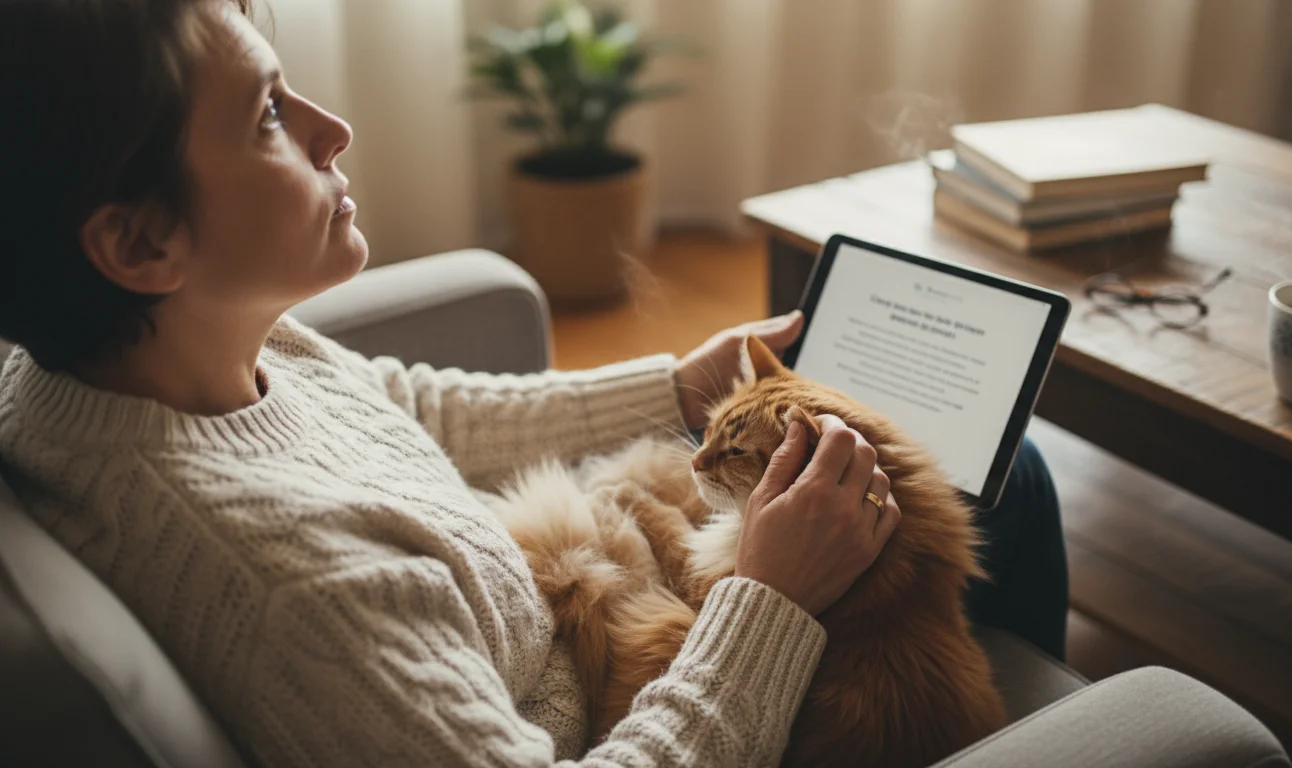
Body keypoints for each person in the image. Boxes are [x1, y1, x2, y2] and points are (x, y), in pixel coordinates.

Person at [0, 1, 1066, 765]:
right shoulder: (299, 596)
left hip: (569, 599)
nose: (334, 128)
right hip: (625, 700)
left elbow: (403, 411)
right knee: (1007, 481)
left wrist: (670, 391)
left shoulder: (176, 357)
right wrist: (770, 600)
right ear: (139, 244)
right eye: (268, 116)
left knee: (988, 463)